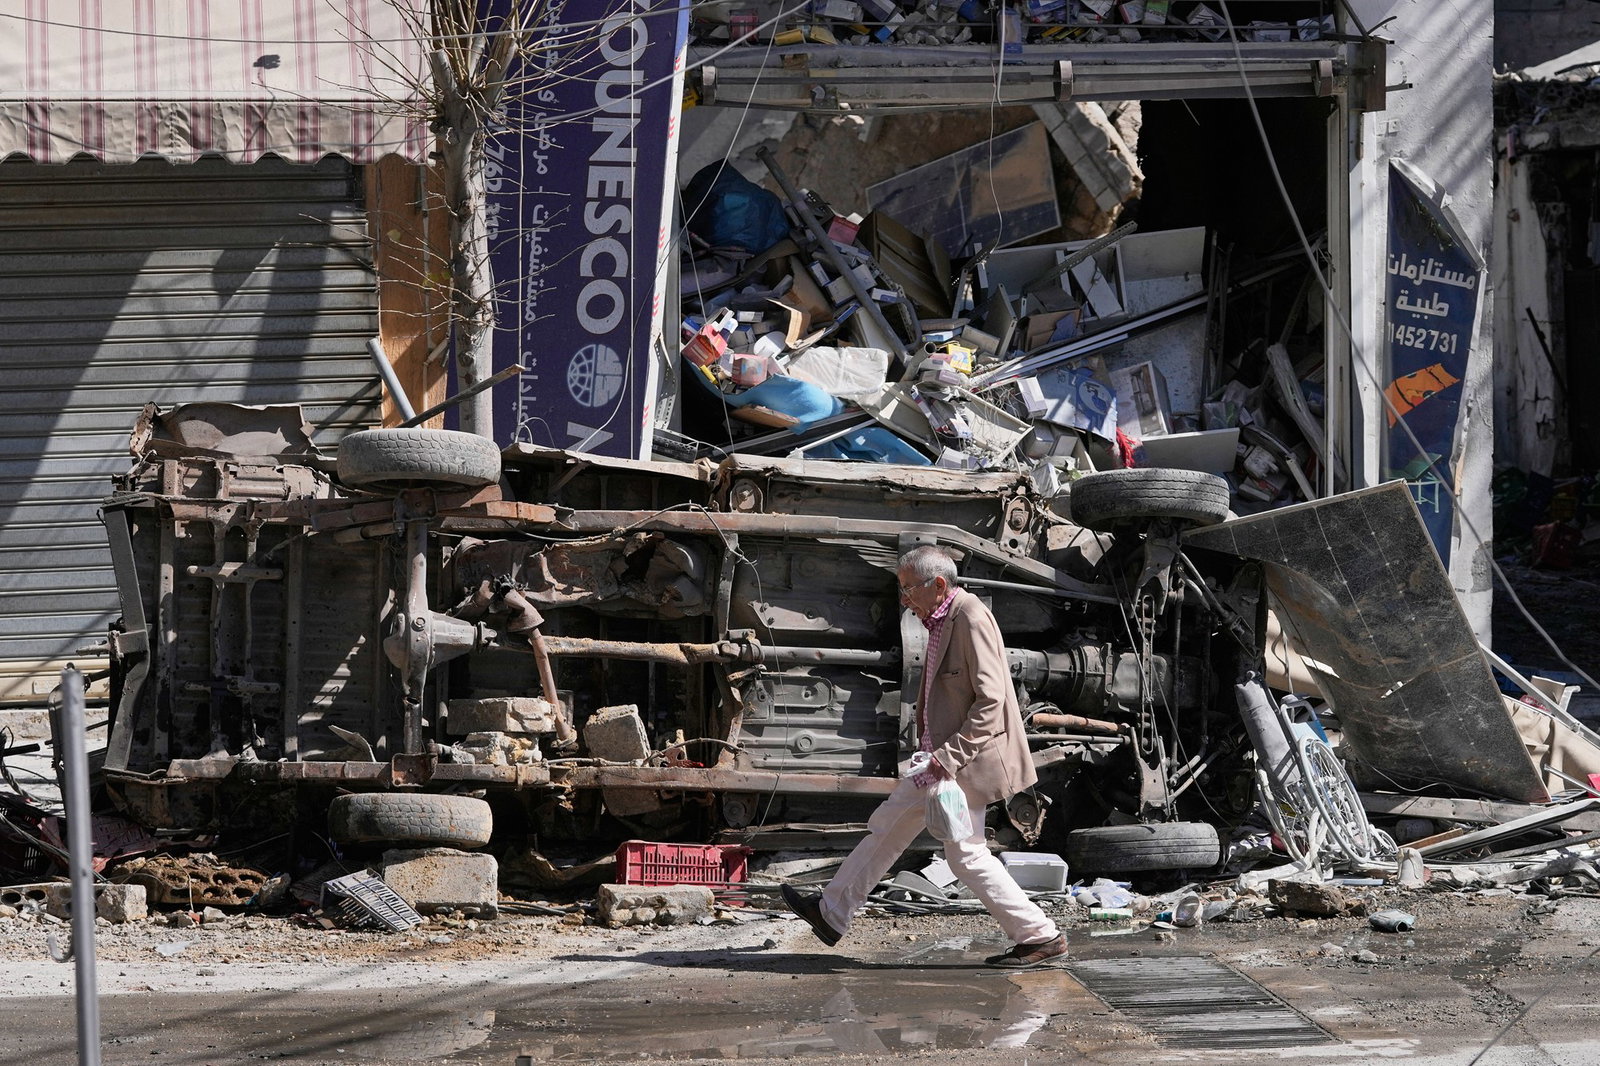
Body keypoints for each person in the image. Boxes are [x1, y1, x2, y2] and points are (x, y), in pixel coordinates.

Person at [782, 545, 1066, 968]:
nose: (904, 599)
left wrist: (948, 757)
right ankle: (830, 913)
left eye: (909, 588)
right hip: (939, 763)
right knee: (889, 828)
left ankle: (1041, 935)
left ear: (938, 584)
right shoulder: (941, 620)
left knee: (962, 854)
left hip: (959, 764)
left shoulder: (969, 616)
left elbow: (991, 701)